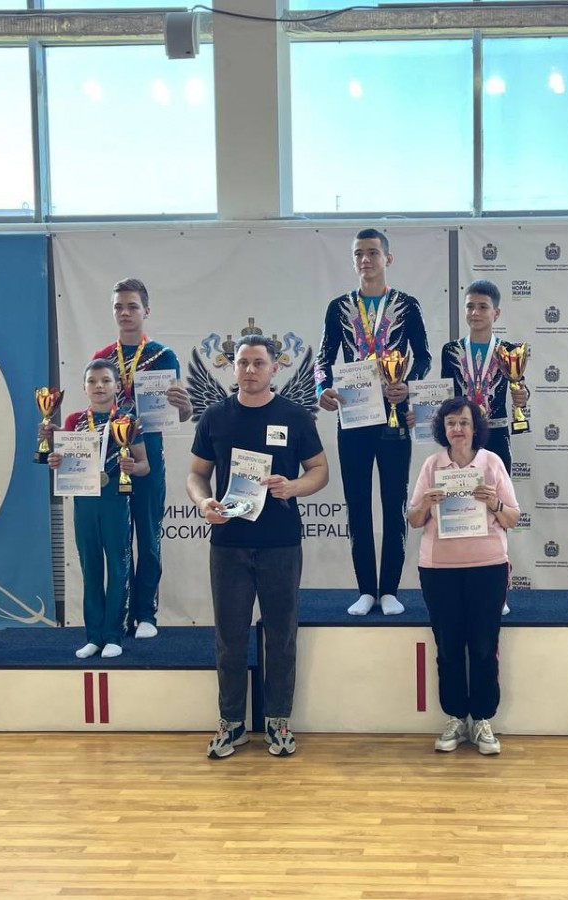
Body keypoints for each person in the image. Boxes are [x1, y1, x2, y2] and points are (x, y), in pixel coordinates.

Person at [189, 335, 329, 759]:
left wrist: (293, 486)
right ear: (233, 368)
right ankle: (231, 723)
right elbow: (196, 474)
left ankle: (278, 720)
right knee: (229, 638)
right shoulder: (215, 416)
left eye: (258, 363)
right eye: (243, 363)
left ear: (274, 368)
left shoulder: (295, 416)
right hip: (228, 543)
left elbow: (320, 470)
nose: (250, 370)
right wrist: (203, 502)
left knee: (281, 636)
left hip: (280, 543)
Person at [315, 228, 431, 617]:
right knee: (358, 503)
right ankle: (366, 589)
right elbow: (323, 358)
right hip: (354, 414)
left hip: (394, 412)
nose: (365, 260)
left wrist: (409, 385)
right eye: (358, 254)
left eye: (372, 253)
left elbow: (424, 356)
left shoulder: (408, 305)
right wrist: (322, 389)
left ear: (387, 259)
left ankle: (390, 590)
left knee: (394, 500)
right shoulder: (338, 307)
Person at [407, 396, 520, 755]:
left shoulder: (492, 463)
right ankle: (456, 717)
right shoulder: (432, 465)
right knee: (448, 646)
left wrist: (494, 503)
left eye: (464, 423)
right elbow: (413, 519)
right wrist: (426, 504)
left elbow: (513, 517)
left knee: (484, 646)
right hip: (439, 569)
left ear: (475, 428)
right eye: (451, 423)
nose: (457, 429)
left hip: (487, 566)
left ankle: (482, 718)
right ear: (443, 428)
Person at [91, 277, 192, 639]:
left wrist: (185, 406)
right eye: (118, 306)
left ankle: (146, 613)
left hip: (149, 455)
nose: (125, 313)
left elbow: (179, 415)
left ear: (146, 311)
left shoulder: (164, 356)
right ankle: (118, 615)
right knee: (117, 540)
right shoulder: (102, 357)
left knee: (148, 537)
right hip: (111, 460)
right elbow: (94, 411)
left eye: (132, 306)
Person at [48, 359, 148, 660]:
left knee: (118, 567)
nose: (99, 386)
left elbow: (145, 465)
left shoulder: (128, 421)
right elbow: (63, 460)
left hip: (115, 499)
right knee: (90, 568)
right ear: (84, 387)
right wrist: (55, 460)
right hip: (84, 501)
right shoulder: (74, 421)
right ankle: (93, 636)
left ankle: (114, 635)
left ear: (117, 386)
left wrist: (133, 467)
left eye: (105, 380)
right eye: (92, 381)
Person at [439, 279, 530, 475]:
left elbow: (520, 386)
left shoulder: (508, 351)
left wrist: (522, 396)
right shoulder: (451, 350)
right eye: (470, 306)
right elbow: (446, 395)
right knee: (463, 491)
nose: (475, 312)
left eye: (483, 307)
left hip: (496, 435)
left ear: (496, 313)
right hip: (461, 435)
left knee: (498, 491)